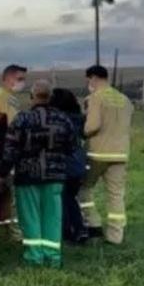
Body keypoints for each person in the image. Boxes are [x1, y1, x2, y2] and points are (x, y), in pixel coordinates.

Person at [0, 80, 76, 267]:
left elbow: (10, 150)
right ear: (50, 97)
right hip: (55, 176)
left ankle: (34, 257)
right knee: (52, 217)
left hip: (27, 177)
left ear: (32, 97)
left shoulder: (22, 119)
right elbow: (72, 147)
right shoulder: (64, 119)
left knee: (30, 218)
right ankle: (53, 257)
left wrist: (1, 173)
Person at [79, 64, 133, 244]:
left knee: (84, 188)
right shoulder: (125, 99)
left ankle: (93, 222)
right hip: (121, 153)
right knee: (116, 194)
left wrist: (83, 129)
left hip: (98, 153)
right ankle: (116, 235)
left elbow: (93, 125)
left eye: (89, 81)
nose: (89, 84)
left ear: (93, 78)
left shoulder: (96, 97)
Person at [0, 63, 28, 241]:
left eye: (24, 79)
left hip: (3, 150)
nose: (22, 83)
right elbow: (15, 125)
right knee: (14, 195)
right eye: (19, 79)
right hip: (7, 151)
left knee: (6, 194)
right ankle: (16, 233)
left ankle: (8, 229)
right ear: (7, 78)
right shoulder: (5, 98)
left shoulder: (8, 96)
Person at [50, 87, 89, 245]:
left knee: (62, 199)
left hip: (63, 163)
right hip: (78, 163)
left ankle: (68, 232)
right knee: (70, 198)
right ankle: (79, 229)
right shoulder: (79, 119)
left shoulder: (58, 120)